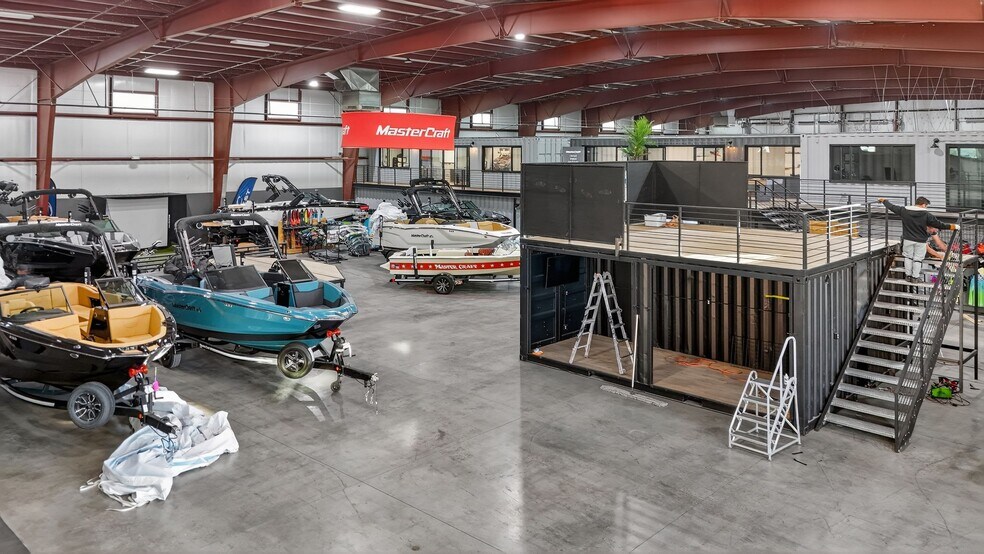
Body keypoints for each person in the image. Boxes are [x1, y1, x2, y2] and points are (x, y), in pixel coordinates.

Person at [878, 197, 959, 282]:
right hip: (920, 241)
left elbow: (891, 207)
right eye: (926, 206)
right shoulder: (927, 215)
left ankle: (908, 276)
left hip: (908, 239)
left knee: (908, 258)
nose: (926, 208)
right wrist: (953, 226)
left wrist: (884, 201)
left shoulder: (904, 210)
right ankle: (915, 278)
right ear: (923, 205)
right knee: (917, 259)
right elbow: (939, 224)